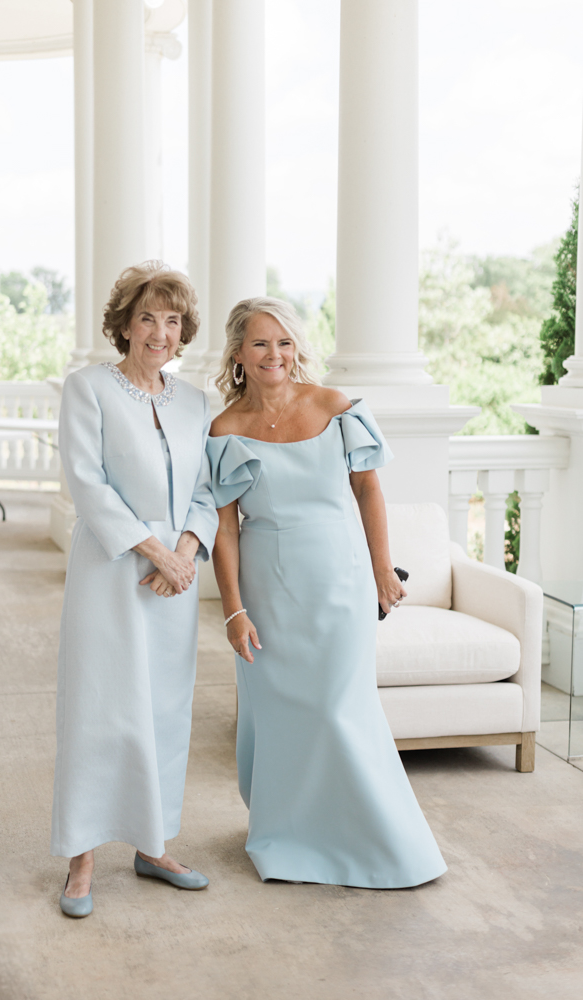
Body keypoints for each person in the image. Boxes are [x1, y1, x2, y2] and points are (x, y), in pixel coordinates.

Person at [206, 297, 447, 888]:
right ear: (238, 353)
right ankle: (290, 837)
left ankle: (381, 841)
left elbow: (368, 491)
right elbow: (226, 530)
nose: (275, 355)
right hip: (267, 592)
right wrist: (235, 610)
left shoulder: (335, 406)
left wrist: (382, 570)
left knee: (342, 710)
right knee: (282, 716)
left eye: (285, 342)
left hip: (338, 583)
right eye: (261, 343)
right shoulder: (226, 428)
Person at [51, 262, 218, 917]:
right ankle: (81, 858)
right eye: (147, 316)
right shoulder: (88, 388)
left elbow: (206, 490)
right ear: (123, 324)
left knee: (163, 712)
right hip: (110, 571)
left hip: (171, 583)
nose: (159, 331)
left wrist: (183, 552)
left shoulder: (194, 402)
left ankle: (153, 846)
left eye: (172, 320)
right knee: (99, 708)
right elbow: (85, 481)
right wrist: (152, 548)